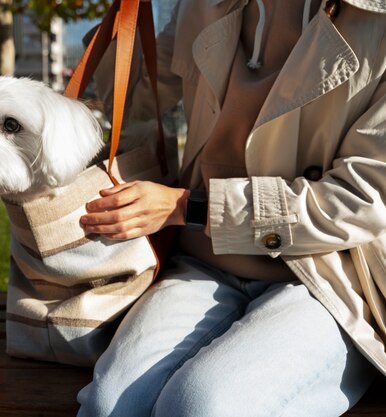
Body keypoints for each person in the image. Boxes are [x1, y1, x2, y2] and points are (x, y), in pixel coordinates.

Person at [76, 0, 386, 415]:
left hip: (325, 275)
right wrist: (130, 12)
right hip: (203, 260)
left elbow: (361, 199)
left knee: (202, 405)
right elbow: (130, 93)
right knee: (110, 404)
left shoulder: (375, 19)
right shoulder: (203, 4)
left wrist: (191, 207)